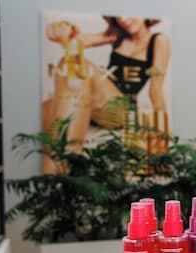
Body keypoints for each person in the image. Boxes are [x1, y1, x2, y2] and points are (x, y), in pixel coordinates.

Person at [42, 16, 171, 171]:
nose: (123, 19)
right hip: (97, 100)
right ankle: (53, 176)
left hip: (121, 107)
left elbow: (156, 90)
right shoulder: (117, 35)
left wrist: (162, 132)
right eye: (119, 16)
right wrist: (66, 30)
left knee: (80, 66)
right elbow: (76, 43)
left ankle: (64, 165)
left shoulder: (159, 40)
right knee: (46, 106)